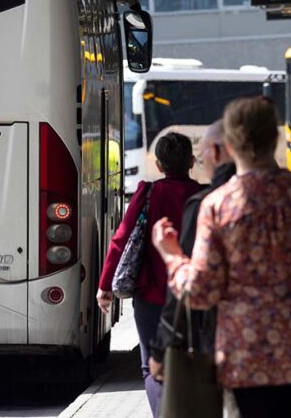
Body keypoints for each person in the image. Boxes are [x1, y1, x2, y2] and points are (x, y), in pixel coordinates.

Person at [152, 97, 291, 418]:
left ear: (229, 146)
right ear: (275, 138)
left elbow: (202, 291)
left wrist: (173, 256)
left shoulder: (217, 206)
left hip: (247, 362)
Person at [97, 131, 202, 417]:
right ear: (191, 162)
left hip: (151, 294)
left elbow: (121, 239)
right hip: (195, 295)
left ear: (158, 165)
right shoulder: (204, 196)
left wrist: (105, 285)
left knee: (152, 366)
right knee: (193, 362)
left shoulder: (148, 192)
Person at [148, 120, 235, 380]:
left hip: (238, 358)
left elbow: (196, 286)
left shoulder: (211, 205)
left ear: (216, 152)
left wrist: (171, 255)